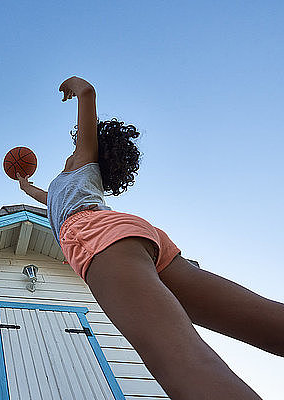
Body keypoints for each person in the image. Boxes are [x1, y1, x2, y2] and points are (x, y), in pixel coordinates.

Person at [16, 76, 284, 400]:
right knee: (259, 317)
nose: (74, 146)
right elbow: (48, 199)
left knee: (182, 360)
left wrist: (79, 88)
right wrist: (25, 185)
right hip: (135, 235)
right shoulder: (71, 185)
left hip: (97, 236)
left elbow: (88, 93)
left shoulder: (82, 161)